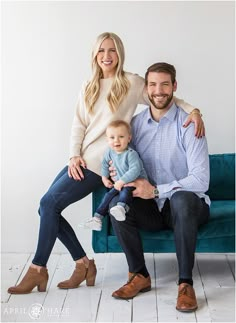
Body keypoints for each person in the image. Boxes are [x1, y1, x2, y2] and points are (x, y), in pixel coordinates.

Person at [8, 32, 204, 295]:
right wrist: (72, 154)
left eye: (112, 50)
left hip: (101, 162)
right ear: (95, 54)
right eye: (101, 51)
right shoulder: (88, 85)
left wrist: (194, 111)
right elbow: (78, 123)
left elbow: (165, 96)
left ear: (120, 54)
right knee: (46, 207)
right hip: (82, 159)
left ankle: (37, 269)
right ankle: (83, 263)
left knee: (48, 204)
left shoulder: (132, 83)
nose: (107, 56)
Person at [109, 62, 210, 313]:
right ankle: (139, 275)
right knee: (116, 204)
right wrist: (115, 171)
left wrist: (156, 191)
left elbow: (201, 180)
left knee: (182, 199)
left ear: (174, 87)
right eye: (153, 84)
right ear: (147, 88)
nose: (159, 90)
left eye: (165, 84)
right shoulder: (134, 125)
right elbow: (124, 160)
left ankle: (185, 283)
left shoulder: (189, 124)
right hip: (152, 210)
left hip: (188, 210)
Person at [81, 120, 148, 231]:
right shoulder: (109, 152)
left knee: (126, 191)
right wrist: (104, 177)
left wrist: (121, 181)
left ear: (129, 138)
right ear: (107, 140)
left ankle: (122, 207)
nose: (116, 140)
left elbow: (135, 170)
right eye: (112, 138)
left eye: (121, 136)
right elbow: (105, 164)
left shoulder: (131, 154)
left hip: (135, 182)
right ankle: (97, 219)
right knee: (108, 196)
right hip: (119, 184)